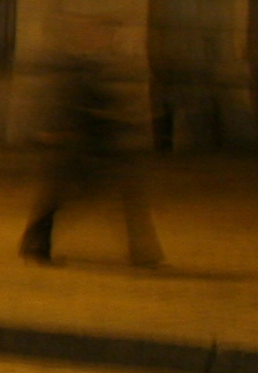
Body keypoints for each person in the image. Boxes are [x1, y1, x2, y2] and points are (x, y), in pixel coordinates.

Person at [19, 29, 160, 268]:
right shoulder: (79, 78)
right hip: (80, 149)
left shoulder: (85, 75)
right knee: (59, 200)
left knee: (60, 200)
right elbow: (78, 112)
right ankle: (35, 246)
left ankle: (142, 251)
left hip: (88, 149)